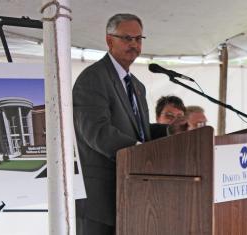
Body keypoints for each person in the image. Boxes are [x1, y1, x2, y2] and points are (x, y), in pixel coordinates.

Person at [72, 13, 170, 235]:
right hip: (100, 200)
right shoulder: (92, 78)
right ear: (109, 41)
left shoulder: (136, 85)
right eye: (127, 38)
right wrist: (141, 153)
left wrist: (171, 131)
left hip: (131, 194)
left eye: (138, 39)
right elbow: (96, 132)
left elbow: (141, 132)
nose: (134, 44)